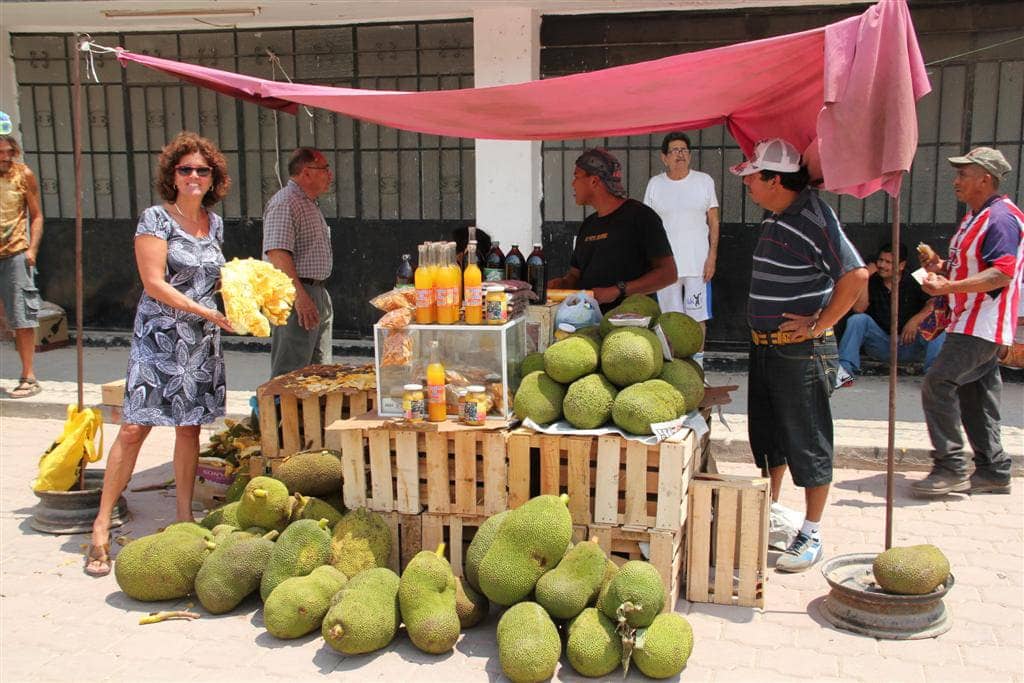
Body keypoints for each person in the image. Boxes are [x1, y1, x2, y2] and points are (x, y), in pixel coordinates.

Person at [86, 132, 234, 576]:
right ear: (172, 174)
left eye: (201, 170)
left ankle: (184, 517)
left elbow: (218, 280)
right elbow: (154, 283)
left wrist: (248, 297)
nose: (193, 176)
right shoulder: (156, 219)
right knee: (134, 428)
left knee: (189, 430)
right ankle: (99, 526)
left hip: (202, 340)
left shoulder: (215, 223)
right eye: (185, 169)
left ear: (213, 178)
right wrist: (202, 309)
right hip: (160, 338)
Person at [732, 138, 867, 573]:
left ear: (775, 179)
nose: (748, 183)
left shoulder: (813, 215)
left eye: (754, 176)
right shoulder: (778, 215)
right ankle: (768, 513)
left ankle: (811, 532)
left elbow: (855, 274)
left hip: (800, 352)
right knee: (769, 437)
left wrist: (819, 323)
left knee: (807, 440)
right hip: (767, 347)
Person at [911, 147, 1022, 497]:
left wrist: (949, 285)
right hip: (970, 318)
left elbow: (1001, 274)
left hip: (981, 321)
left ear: (985, 179)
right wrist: (940, 267)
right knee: (977, 394)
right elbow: (971, 267)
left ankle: (951, 466)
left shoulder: (1000, 218)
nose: (956, 181)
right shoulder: (977, 216)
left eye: (963, 174)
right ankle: (993, 470)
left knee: (938, 382)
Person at [547, 147, 676, 312]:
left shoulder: (641, 217)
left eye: (576, 177)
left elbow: (668, 274)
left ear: (594, 181)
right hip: (587, 321)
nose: (572, 184)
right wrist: (560, 284)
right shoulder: (588, 225)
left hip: (630, 324)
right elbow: (574, 276)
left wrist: (618, 290)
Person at [643, 132, 720, 351]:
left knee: (697, 319)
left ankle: (698, 367)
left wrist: (712, 257)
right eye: (675, 150)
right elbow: (647, 226)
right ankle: (675, 365)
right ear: (664, 157)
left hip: (698, 264)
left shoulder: (704, 181)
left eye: (684, 150)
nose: (680, 154)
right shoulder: (655, 184)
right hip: (666, 266)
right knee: (670, 320)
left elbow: (714, 221)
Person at [263, 147, 334, 379]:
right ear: (306, 172)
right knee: (290, 373)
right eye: (324, 169)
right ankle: (275, 415)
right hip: (296, 294)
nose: (330, 175)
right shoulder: (286, 202)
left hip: (316, 291)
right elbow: (277, 254)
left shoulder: (308, 203)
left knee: (318, 369)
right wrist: (300, 297)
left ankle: (311, 416)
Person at [836, 242, 945, 386]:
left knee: (937, 325)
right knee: (858, 320)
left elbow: (935, 301)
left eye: (888, 262)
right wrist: (865, 277)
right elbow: (859, 309)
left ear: (901, 265)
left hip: (910, 345)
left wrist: (915, 320)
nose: (882, 265)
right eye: (880, 260)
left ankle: (934, 378)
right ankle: (844, 373)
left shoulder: (917, 275)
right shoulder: (873, 279)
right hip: (881, 344)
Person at [0, 133, 44, 398]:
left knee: (21, 317)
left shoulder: (23, 174)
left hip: (15, 252)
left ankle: (28, 376)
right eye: (0, 152)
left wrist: (32, 250)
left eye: (8, 151)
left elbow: (36, 215)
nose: (5, 157)